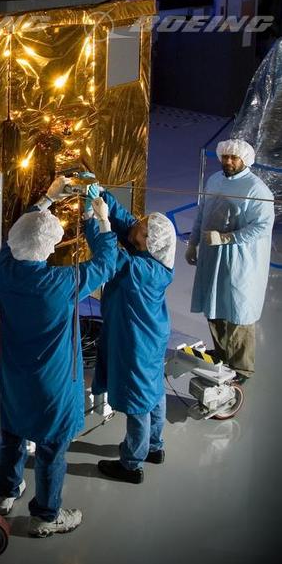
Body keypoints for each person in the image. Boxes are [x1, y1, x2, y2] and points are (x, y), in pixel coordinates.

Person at [0, 177, 117, 537]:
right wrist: (102, 219)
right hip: (53, 382)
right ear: (49, 248)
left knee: (11, 432)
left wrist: (46, 199)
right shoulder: (61, 283)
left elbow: (19, 236)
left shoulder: (4, 268)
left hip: (15, 374)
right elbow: (106, 263)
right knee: (51, 447)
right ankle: (46, 516)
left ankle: (4, 492)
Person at [85, 187, 176, 485]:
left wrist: (95, 221)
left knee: (138, 401)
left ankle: (131, 464)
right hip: (152, 336)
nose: (137, 223)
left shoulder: (141, 270)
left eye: (143, 226)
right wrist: (101, 192)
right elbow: (126, 222)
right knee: (154, 391)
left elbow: (109, 256)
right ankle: (154, 446)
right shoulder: (153, 252)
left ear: (148, 240)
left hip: (137, 342)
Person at [186, 138, 274, 383]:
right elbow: (202, 213)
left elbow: (262, 226)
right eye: (225, 156)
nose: (228, 161)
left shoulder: (256, 189)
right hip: (212, 257)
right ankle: (222, 353)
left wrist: (227, 238)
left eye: (234, 157)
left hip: (240, 261)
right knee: (214, 306)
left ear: (245, 159)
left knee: (238, 312)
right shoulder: (214, 180)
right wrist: (193, 242)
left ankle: (242, 367)